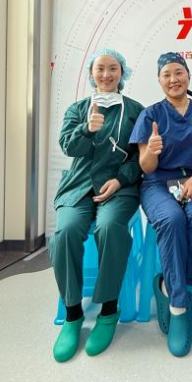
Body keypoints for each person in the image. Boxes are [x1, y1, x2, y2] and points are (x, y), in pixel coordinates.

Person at [48, 48, 144, 362]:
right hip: (78, 187)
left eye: (113, 68)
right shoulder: (78, 109)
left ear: (122, 73)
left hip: (118, 188)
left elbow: (140, 158)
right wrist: (87, 129)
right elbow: (68, 146)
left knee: (109, 227)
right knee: (65, 233)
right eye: (100, 68)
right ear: (91, 73)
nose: (106, 74)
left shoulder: (135, 111)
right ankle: (73, 314)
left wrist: (120, 179)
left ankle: (109, 309)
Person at [129, 52, 192, 357]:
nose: (173, 79)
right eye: (166, 74)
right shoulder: (150, 116)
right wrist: (151, 151)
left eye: (179, 73)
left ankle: (169, 284)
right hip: (157, 185)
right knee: (172, 219)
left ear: (188, 76)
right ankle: (179, 304)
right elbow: (146, 167)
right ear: (159, 80)